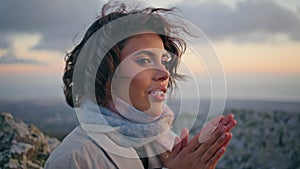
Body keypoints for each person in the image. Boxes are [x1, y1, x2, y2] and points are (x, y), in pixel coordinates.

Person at [44, 1, 237, 169]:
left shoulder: (169, 144)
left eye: (163, 61)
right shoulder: (73, 160)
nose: (164, 74)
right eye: (144, 61)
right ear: (104, 75)